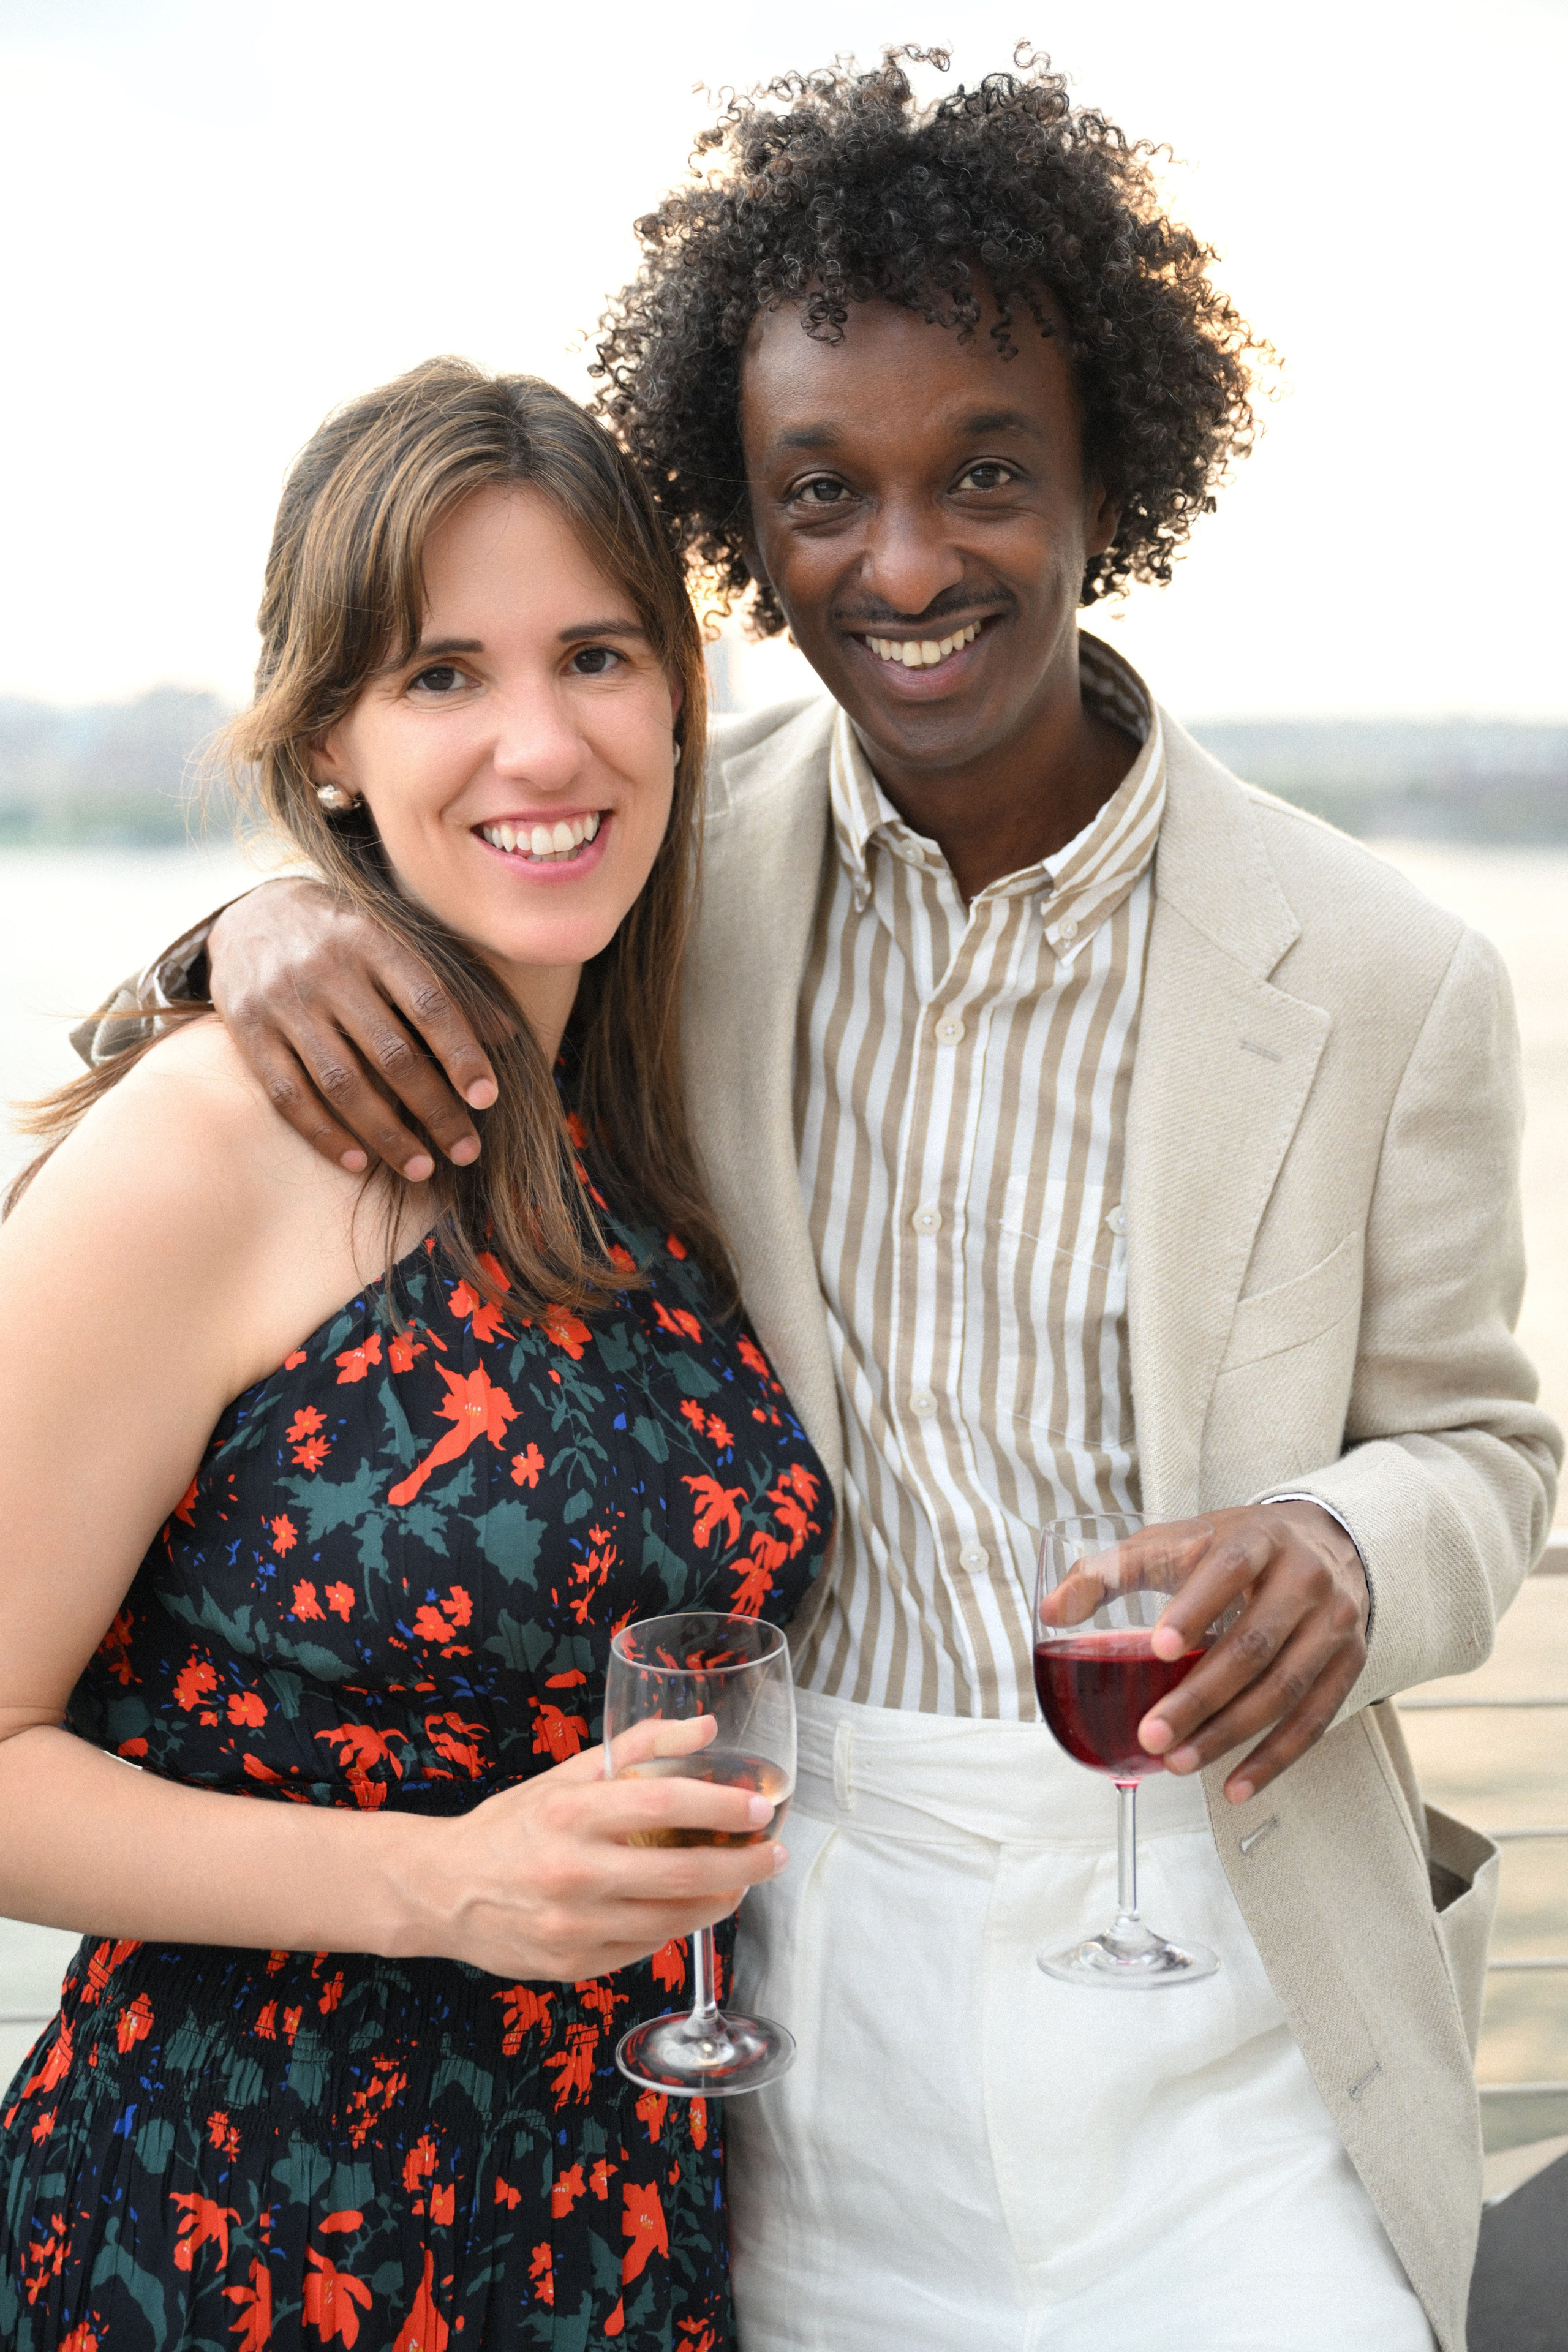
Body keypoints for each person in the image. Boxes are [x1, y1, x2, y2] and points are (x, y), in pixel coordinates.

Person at [72, 50, 1558, 2352]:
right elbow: (451, 853)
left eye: (987, 474)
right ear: (749, 532)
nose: (907, 561)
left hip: (1227, 1974)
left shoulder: (1388, 973)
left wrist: (1358, 1547)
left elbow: (1489, 1449)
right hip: (774, 1991)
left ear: (1109, 487)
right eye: (819, 495)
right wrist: (241, 935)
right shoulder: (685, 851)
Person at [0, 360, 830, 2349]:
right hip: (245, 2234)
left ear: (682, 702)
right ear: (336, 746)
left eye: (600, 657)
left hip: (618, 2227)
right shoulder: (214, 1141)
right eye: (443, 674)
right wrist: (441, 1888)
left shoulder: (640, 1140)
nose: (541, 743)